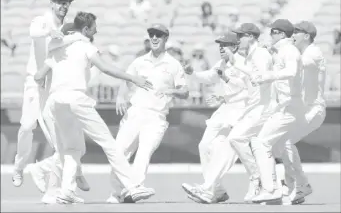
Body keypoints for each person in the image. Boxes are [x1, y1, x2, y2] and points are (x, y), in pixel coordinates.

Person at [34, 11, 156, 204]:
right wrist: (133, 78)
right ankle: (133, 186)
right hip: (76, 98)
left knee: (71, 148)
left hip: (55, 101)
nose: (96, 30)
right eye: (94, 28)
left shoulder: (57, 46)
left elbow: (40, 74)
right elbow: (106, 68)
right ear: (85, 29)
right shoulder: (85, 46)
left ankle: (66, 192)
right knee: (109, 143)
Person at [11, 0, 89, 198]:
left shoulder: (67, 27)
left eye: (67, 3)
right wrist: (50, 33)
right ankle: (19, 167)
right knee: (27, 126)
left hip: (53, 86)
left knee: (59, 138)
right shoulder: (42, 20)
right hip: (34, 81)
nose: (64, 6)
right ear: (52, 4)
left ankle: (71, 179)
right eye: (60, 3)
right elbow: (34, 32)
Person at [107, 23, 189, 204]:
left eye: (158, 35)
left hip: (156, 116)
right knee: (119, 152)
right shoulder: (139, 61)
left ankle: (133, 190)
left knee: (144, 152)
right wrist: (121, 96)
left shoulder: (173, 64)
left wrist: (172, 92)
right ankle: (116, 192)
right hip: (135, 112)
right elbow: (126, 79)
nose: (154, 38)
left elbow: (185, 92)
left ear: (166, 39)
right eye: (151, 34)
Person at [181, 32, 250, 204]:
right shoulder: (222, 63)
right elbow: (209, 77)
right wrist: (193, 73)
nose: (221, 47)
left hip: (241, 109)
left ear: (234, 47)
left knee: (226, 149)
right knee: (204, 145)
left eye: (224, 44)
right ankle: (217, 190)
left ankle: (207, 188)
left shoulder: (243, 63)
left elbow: (246, 87)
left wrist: (226, 78)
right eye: (219, 44)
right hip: (225, 108)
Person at [248, 19, 304, 204]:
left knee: (261, 142)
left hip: (290, 106)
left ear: (280, 33)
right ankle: (292, 189)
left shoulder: (289, 51)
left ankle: (271, 189)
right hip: (286, 106)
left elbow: (291, 71)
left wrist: (267, 76)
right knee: (278, 147)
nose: (270, 35)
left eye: (272, 32)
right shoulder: (283, 50)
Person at [221, 23, 275, 203]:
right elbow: (246, 83)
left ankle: (257, 178)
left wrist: (234, 61)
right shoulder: (252, 55)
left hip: (263, 107)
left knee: (236, 138)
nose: (237, 39)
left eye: (241, 36)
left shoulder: (260, 54)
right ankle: (272, 184)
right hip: (255, 106)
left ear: (251, 36)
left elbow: (259, 77)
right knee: (261, 147)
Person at [277, 21, 326, 205]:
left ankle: (300, 185)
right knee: (282, 142)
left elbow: (296, 65)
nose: (293, 34)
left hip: (314, 108)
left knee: (286, 141)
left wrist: (280, 48)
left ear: (307, 36)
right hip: (303, 108)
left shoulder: (314, 52)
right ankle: (293, 186)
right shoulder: (302, 52)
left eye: (297, 31)